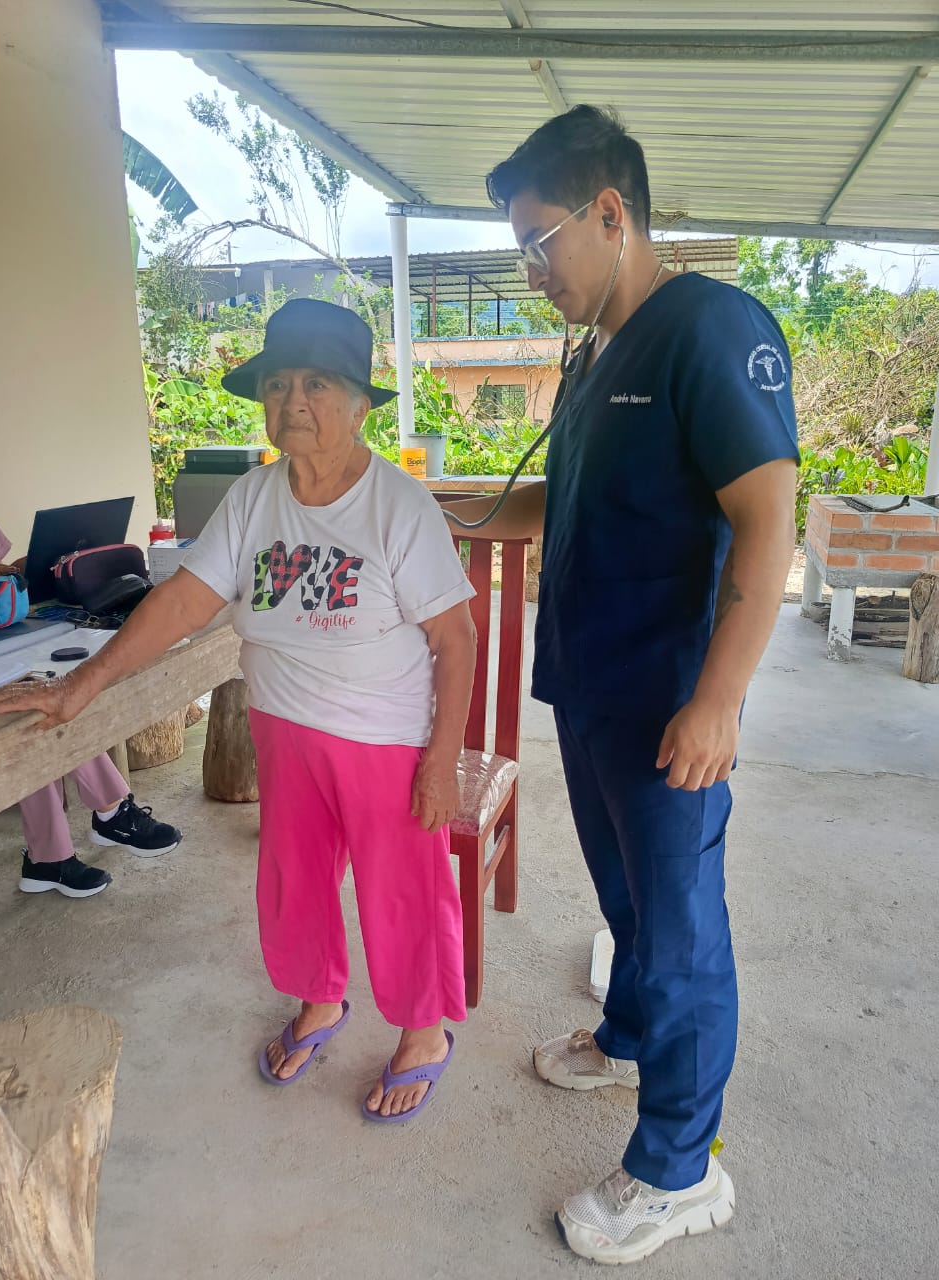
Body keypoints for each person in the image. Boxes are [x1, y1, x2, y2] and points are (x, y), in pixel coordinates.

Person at [441, 106, 799, 1265]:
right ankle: (631, 1035)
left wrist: (720, 697)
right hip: (591, 684)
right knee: (629, 902)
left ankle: (680, 1168)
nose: (531, 270)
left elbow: (768, 518)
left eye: (539, 242)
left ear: (611, 213)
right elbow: (570, 498)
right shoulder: (594, 354)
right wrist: (442, 512)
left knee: (682, 928)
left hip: (668, 695)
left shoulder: (711, 329)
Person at [0, 299, 478, 1122]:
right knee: (296, 881)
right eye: (278, 384)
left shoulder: (399, 505)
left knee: (401, 891)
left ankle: (424, 1033)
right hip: (283, 728)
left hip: (382, 738)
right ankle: (320, 1000)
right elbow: (183, 602)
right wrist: (82, 685)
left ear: (361, 404)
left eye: (317, 384)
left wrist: (441, 761)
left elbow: (455, 640)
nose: (294, 401)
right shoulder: (254, 498)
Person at [0, 483, 181, 899]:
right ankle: (104, 816)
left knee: (43, 698)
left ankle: (57, 852)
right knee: (29, 709)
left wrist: (28, 568)